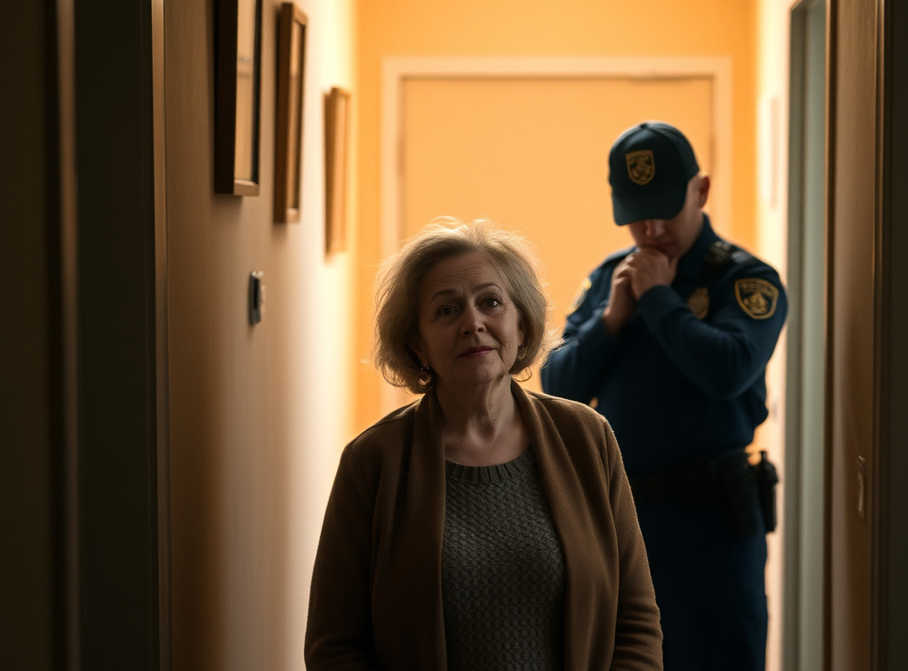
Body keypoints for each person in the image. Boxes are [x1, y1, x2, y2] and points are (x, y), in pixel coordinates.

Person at [305, 219, 663, 670]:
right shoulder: (373, 461)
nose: (473, 323)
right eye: (446, 310)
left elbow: (635, 619)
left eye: (490, 302)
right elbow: (333, 645)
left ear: (521, 323)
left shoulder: (587, 438)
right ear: (417, 344)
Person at [541, 121, 787, 671]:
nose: (651, 230)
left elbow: (728, 370)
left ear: (701, 191)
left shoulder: (745, 281)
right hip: (623, 516)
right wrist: (611, 320)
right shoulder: (611, 280)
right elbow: (557, 386)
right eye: (637, 217)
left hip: (713, 524)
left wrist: (657, 299)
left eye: (665, 212)